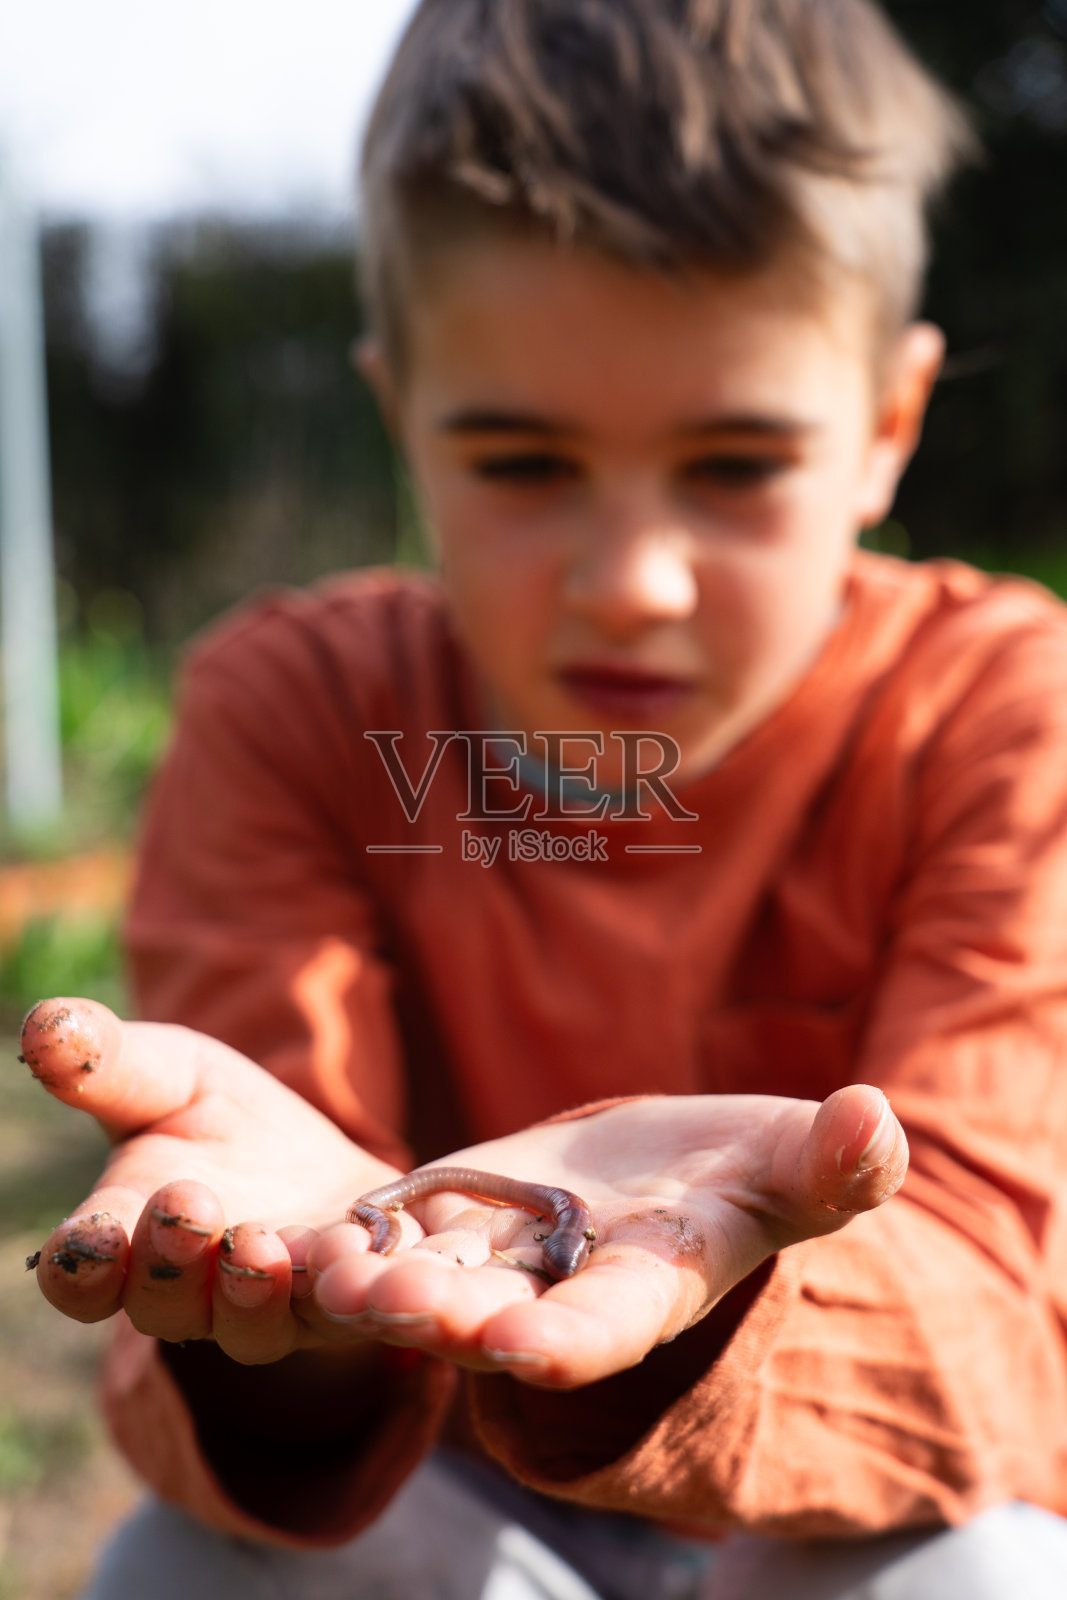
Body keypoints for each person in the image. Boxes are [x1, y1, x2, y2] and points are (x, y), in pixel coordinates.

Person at [23, 1, 1067, 1594]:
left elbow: (1003, 1292)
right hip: (440, 1501)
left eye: (735, 466)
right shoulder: (297, 714)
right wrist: (284, 1298)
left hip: (843, 1509)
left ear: (886, 428)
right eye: (522, 462)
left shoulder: (1006, 713)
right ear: (403, 420)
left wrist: (695, 1303)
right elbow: (265, 1194)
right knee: (185, 1567)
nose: (632, 583)